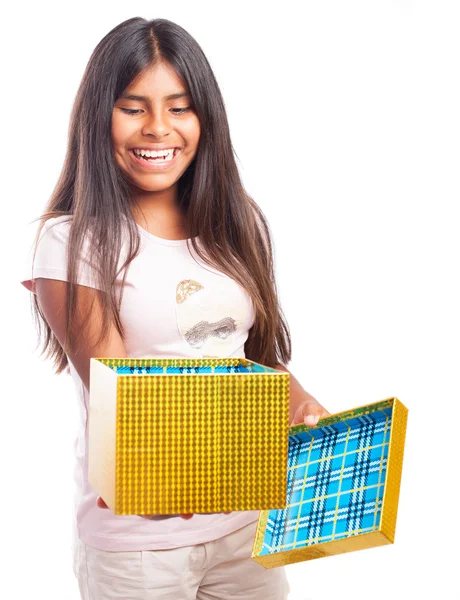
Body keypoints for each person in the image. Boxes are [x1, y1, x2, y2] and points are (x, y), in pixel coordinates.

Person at [20, 16, 330, 600]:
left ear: (205, 117)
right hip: (140, 546)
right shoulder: (72, 241)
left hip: (244, 528)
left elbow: (254, 361)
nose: (158, 128)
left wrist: (298, 400)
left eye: (180, 107)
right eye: (133, 107)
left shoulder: (241, 221)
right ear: (98, 118)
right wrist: (229, 444)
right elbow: (123, 397)